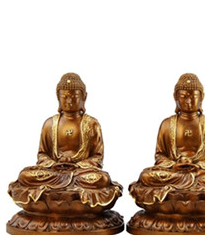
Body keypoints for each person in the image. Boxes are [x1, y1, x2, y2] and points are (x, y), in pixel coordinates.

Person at [9, 73, 122, 209]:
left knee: (102, 179)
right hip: (54, 173)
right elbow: (42, 154)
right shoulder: (49, 124)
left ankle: (60, 195)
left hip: (80, 174)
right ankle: (68, 195)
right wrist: (55, 164)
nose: (69, 101)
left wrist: (77, 165)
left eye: (74, 97)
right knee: (25, 176)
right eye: (65, 97)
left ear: (84, 98)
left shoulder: (92, 124)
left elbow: (97, 157)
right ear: (58, 98)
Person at [129, 73, 205, 208]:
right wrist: (174, 165)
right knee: (146, 177)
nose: (188, 102)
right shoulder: (166, 124)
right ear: (175, 97)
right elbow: (159, 155)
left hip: (200, 173)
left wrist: (198, 166)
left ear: (201, 98)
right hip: (173, 173)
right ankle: (194, 194)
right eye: (183, 97)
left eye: (193, 97)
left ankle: (183, 193)